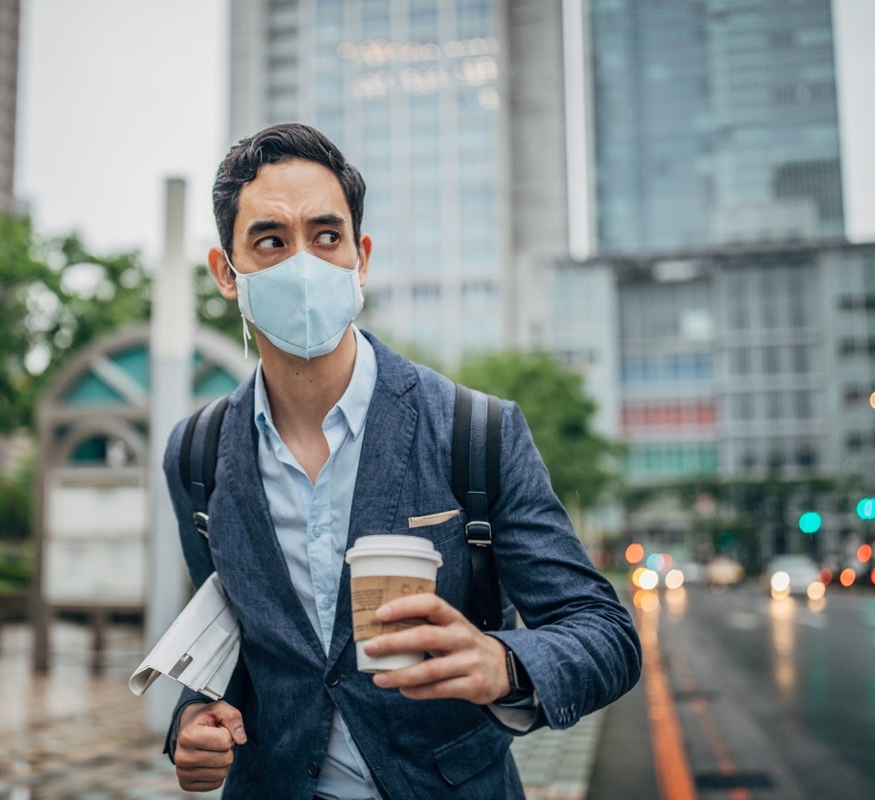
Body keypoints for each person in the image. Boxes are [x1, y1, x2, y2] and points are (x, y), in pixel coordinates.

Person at [161, 122, 641, 799]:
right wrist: (192, 721)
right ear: (226, 274)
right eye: (270, 241)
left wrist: (503, 662)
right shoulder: (197, 453)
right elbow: (228, 635)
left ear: (361, 258)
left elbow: (606, 635)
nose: (303, 264)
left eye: (326, 237)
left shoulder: (477, 433)